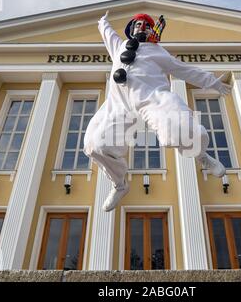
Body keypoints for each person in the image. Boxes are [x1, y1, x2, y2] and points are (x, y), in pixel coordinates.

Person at [83, 11, 232, 212]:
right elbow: (107, 32)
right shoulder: (118, 46)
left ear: (152, 30)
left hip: (152, 99)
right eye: (138, 24)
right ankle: (119, 185)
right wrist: (102, 20)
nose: (141, 27)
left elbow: (185, 70)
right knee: (95, 145)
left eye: (146, 24)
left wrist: (213, 82)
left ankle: (203, 156)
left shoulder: (158, 52)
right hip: (119, 104)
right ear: (131, 28)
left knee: (183, 130)